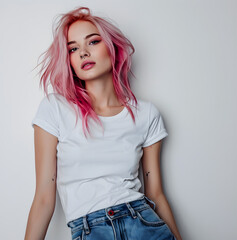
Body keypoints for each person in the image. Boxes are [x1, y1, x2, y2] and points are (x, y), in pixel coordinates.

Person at [24, 6, 182, 240]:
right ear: (68, 60)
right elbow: (44, 200)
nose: (83, 53)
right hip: (91, 230)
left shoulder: (146, 115)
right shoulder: (55, 108)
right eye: (73, 48)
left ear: (113, 48)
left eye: (93, 42)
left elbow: (156, 194)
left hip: (144, 224)